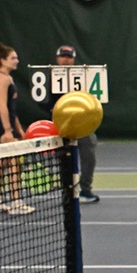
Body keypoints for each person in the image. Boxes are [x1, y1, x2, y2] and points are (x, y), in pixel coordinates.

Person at [0, 42, 33, 215]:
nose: (17, 61)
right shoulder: (1, 79)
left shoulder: (9, 79)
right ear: (3, 60)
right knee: (14, 163)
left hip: (8, 125)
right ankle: (15, 202)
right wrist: (7, 130)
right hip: (2, 126)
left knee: (1, 164)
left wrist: (20, 130)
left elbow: (12, 109)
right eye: (13, 58)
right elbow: (2, 106)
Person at [51, 44, 100, 204]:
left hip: (83, 124)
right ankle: (68, 190)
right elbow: (44, 101)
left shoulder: (83, 76)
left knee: (89, 156)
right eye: (63, 56)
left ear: (73, 59)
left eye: (69, 57)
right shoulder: (48, 77)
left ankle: (85, 189)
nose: (66, 60)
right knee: (64, 159)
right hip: (62, 125)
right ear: (57, 58)